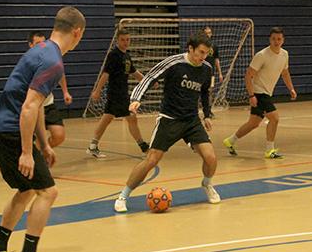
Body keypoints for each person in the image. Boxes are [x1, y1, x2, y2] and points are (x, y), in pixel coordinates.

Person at [0, 6, 85, 252]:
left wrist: (45, 143)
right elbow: (28, 108)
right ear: (77, 33)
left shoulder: (40, 51)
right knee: (48, 192)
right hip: (10, 132)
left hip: (0, 129)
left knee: (27, 190)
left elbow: (38, 106)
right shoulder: (53, 62)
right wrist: (27, 152)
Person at [114, 31, 220, 212]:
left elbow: (204, 93)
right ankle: (123, 195)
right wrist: (137, 98)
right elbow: (149, 78)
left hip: (192, 120)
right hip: (169, 119)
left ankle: (207, 184)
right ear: (191, 49)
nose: (203, 57)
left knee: (211, 157)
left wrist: (207, 115)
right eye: (200, 52)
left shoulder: (206, 69)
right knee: (151, 160)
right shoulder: (174, 63)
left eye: (206, 53)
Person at [222, 27, 297, 159]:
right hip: (259, 92)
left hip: (267, 92)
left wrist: (291, 88)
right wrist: (251, 95)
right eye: (273, 39)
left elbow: (285, 73)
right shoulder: (262, 55)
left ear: (283, 40)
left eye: (279, 39)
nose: (276, 41)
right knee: (274, 118)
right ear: (270, 39)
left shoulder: (285, 54)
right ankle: (270, 150)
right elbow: (248, 75)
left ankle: (230, 141)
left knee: (254, 123)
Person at [87, 28, 149, 158]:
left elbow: (134, 72)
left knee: (107, 118)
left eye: (128, 40)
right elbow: (105, 74)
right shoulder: (114, 55)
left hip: (122, 92)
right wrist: (97, 90)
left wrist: (148, 81)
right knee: (131, 118)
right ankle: (143, 147)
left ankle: (93, 146)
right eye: (123, 40)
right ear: (117, 40)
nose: (126, 42)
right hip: (116, 93)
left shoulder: (126, 55)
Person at [28, 31, 73, 147]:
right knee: (34, 136)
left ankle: (40, 153)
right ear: (30, 45)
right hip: (33, 105)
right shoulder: (27, 62)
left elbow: (59, 73)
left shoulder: (50, 58)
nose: (41, 46)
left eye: (43, 43)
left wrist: (65, 92)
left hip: (48, 104)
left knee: (59, 135)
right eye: (37, 43)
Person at [203, 26, 223, 118]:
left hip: (210, 73)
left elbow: (216, 60)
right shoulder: (200, 45)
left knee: (209, 91)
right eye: (206, 33)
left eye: (209, 33)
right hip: (200, 71)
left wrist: (220, 73)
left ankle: (209, 111)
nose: (208, 34)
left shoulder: (214, 46)